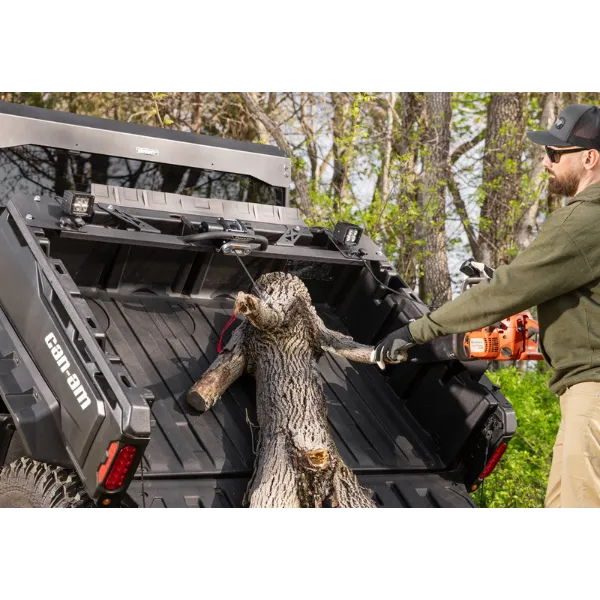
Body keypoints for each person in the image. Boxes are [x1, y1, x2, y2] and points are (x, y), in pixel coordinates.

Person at [373, 103, 600, 509]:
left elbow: (505, 291)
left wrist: (414, 331)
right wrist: (540, 329)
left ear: (589, 158)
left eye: (554, 154)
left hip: (592, 394)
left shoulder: (583, 221)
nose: (546, 163)